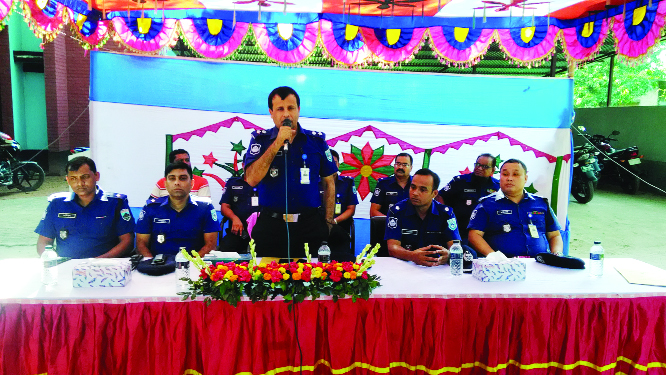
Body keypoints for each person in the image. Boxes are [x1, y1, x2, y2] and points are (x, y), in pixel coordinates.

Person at [244, 86, 338, 258]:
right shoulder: (261, 140)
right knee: (265, 281)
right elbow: (251, 179)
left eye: (291, 108)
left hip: (309, 225)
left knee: (313, 279)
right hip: (271, 225)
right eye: (280, 109)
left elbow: (329, 182)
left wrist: (328, 220)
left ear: (298, 110)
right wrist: (277, 142)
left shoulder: (316, 141)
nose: (286, 114)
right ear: (271, 113)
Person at [35, 156, 135, 258]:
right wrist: (54, 261)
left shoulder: (115, 203)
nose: (80, 183)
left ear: (96, 176)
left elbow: (127, 242)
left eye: (85, 177)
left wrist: (95, 262)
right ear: (68, 180)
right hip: (65, 267)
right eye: (73, 178)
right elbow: (44, 242)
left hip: (105, 267)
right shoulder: (57, 204)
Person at [468, 159, 563, 258]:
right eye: (505, 174)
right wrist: (493, 255)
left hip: (539, 263)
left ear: (525, 178)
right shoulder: (486, 204)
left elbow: (554, 235)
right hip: (501, 265)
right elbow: (474, 235)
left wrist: (557, 254)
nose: (509, 178)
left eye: (515, 174)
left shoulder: (541, 203)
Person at [136, 162, 219, 257]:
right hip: (157, 266)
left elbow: (211, 246)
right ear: (165, 184)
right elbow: (141, 244)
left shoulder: (205, 208)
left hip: (194, 267)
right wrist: (152, 265)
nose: (177, 182)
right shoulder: (151, 208)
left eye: (183, 178)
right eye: (172, 178)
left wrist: (189, 265)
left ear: (191, 183)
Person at [385, 168, 462, 267]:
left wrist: (449, 255)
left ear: (434, 194)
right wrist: (412, 256)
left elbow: (455, 246)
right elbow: (392, 247)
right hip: (404, 266)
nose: (415, 193)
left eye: (423, 189)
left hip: (436, 268)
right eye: (413, 187)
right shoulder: (396, 211)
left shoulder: (446, 213)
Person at [436, 153, 500, 241]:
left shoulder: (498, 187)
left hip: (486, 234)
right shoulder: (459, 181)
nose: (479, 168)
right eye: (478, 165)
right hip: (460, 231)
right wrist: (444, 217)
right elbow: (440, 196)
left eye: (484, 166)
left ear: (492, 170)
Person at [219, 166, 260, 253]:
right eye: (250, 163)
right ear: (243, 165)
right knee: (226, 249)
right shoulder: (233, 183)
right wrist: (234, 218)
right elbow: (224, 207)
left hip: (260, 231)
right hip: (238, 231)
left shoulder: (265, 183)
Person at [319, 149, 359, 235]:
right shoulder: (314, 182)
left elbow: (351, 209)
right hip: (318, 227)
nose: (331, 166)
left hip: (340, 225)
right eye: (327, 163)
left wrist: (334, 221)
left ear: (338, 165)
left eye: (334, 163)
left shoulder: (348, 183)